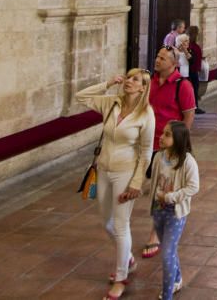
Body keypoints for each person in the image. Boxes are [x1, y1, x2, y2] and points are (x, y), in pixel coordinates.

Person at [75, 69, 155, 300]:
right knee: (107, 222)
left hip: (126, 173)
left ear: (143, 87)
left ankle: (121, 278)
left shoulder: (146, 114)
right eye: (128, 77)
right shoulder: (112, 103)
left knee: (121, 225)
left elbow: (146, 151)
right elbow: (81, 96)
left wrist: (136, 183)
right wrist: (108, 83)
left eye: (135, 80)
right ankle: (127, 257)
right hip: (104, 169)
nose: (129, 82)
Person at [142, 45, 196, 259]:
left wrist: (179, 145)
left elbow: (188, 115)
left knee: (162, 190)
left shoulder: (182, 85)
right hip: (148, 144)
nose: (158, 60)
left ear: (174, 63)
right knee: (151, 186)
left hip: (169, 146)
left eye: (163, 58)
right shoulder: (151, 82)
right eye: (157, 56)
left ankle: (155, 233)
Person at [148, 121, 199, 300]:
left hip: (175, 213)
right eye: (163, 133)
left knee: (167, 252)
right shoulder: (158, 158)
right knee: (168, 249)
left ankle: (167, 294)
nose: (161, 137)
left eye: (167, 134)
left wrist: (170, 197)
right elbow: (154, 182)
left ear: (178, 138)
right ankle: (177, 278)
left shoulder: (188, 162)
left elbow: (193, 187)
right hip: (158, 210)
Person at [185, 26, 205, 114]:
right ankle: (194, 107)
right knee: (193, 89)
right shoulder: (191, 46)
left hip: (192, 70)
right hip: (191, 71)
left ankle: (194, 106)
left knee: (194, 89)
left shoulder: (192, 45)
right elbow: (191, 59)